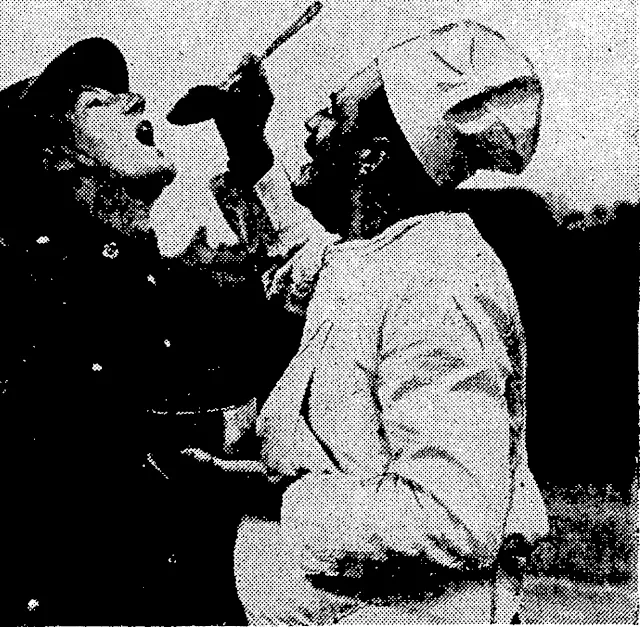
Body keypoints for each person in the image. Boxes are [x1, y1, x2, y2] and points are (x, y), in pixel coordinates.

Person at [0, 38, 286, 626]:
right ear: (56, 161)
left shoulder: (152, 281)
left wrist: (245, 147)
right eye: (101, 102)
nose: (137, 101)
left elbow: (295, 318)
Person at [176, 21, 550, 624]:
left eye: (332, 114)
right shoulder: (380, 255)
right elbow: (297, 261)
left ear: (370, 158)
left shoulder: (439, 279)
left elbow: (457, 517)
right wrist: (246, 145)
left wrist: (260, 493)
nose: (311, 129)